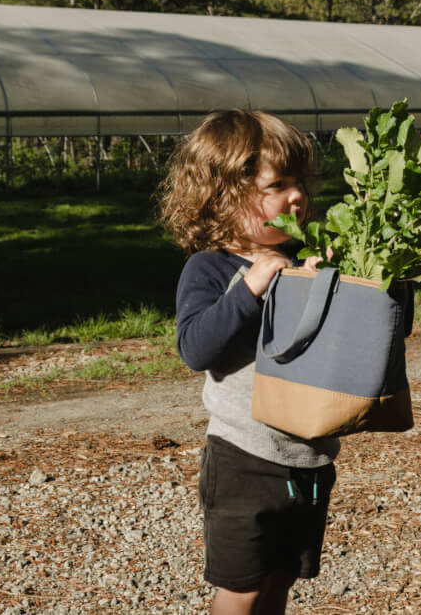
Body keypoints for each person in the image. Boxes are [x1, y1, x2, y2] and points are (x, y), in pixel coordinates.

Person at [159, 109, 334, 615]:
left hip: (309, 455)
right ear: (221, 197)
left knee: (281, 579)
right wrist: (252, 287)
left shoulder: (307, 258)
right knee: (242, 588)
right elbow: (196, 348)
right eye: (276, 185)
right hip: (244, 456)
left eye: (298, 181)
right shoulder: (210, 269)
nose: (296, 195)